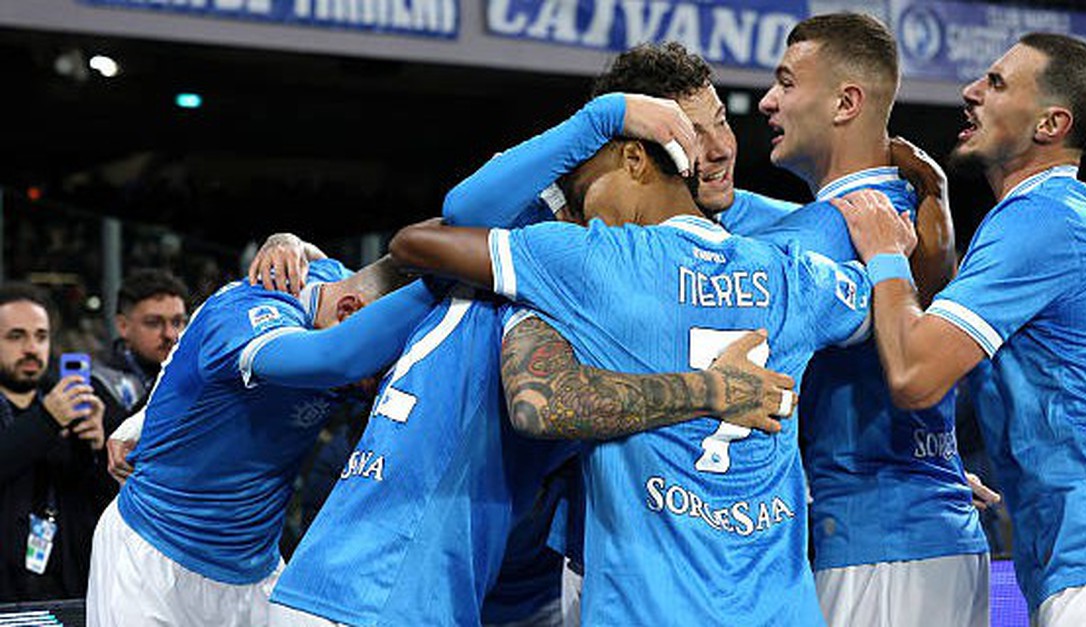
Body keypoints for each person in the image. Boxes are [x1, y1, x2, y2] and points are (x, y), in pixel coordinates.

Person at [266, 133, 794, 626]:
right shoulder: (535, 295)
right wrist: (710, 391)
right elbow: (539, 407)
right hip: (384, 595)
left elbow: (410, 251)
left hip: (337, 582)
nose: (616, 233)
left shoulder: (449, 288)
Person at [386, 132, 881, 624]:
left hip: (647, 609)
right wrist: (892, 256)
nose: (587, 217)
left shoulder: (595, 259)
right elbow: (893, 315)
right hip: (781, 610)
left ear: (633, 159)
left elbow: (415, 244)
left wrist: (592, 128)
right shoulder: (788, 273)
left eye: (585, 194)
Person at [833, 33, 1086, 626]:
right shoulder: (1052, 213)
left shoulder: (1039, 218)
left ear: (1051, 123)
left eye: (997, 83)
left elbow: (915, 373)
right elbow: (946, 342)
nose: (970, 91)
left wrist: (885, 256)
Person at [756, 14, 989, 626]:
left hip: (877, 554)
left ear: (846, 103)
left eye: (786, 82)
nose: (768, 100)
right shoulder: (916, 208)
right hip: (940, 535)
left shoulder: (828, 232)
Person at [87, 238, 443, 627]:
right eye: (375, 371)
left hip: (255, 570)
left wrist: (290, 241)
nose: (372, 387)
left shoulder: (340, 289)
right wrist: (462, 275)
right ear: (347, 313)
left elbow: (329, 265)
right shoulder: (246, 313)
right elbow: (333, 358)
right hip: (153, 558)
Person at [0, 283, 109, 602]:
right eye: (16, 336)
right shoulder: (53, 412)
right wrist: (47, 420)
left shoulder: (68, 407)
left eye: (41, 336)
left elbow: (98, 506)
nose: (32, 348)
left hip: (62, 592)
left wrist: (94, 449)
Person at [94, 269, 188, 482]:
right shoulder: (99, 385)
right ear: (123, 326)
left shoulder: (197, 377)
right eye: (154, 323)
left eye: (178, 322)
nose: (170, 334)